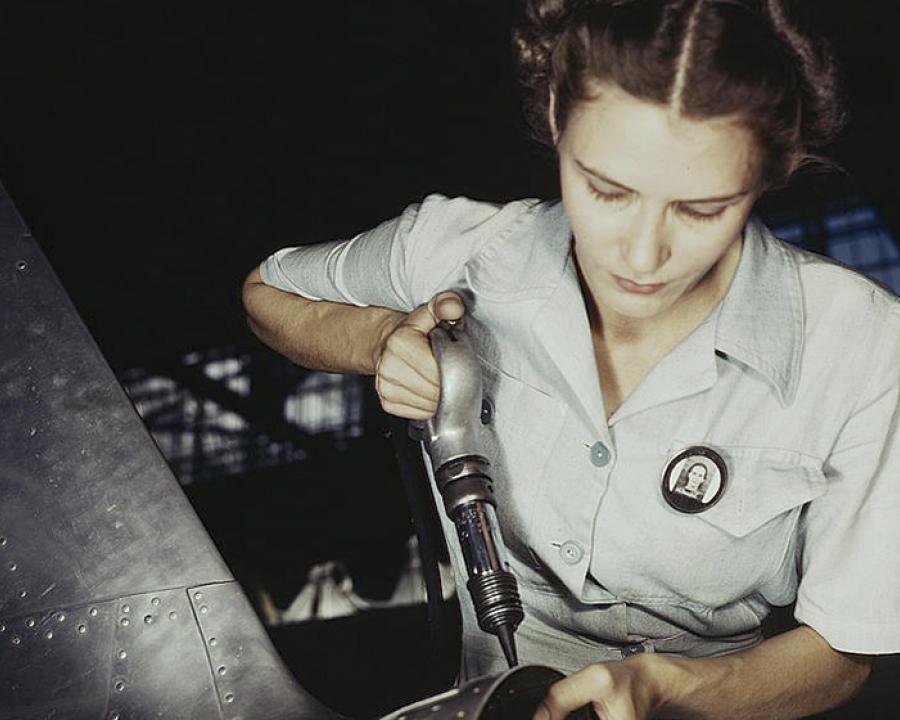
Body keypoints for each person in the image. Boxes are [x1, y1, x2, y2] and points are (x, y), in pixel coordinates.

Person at [242, 0, 900, 717]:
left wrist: (669, 686)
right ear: (557, 115)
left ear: (773, 169)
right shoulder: (460, 252)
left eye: (703, 210)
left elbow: (843, 652)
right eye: (606, 190)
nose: (643, 256)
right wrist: (377, 340)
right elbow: (266, 293)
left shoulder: (863, 345)